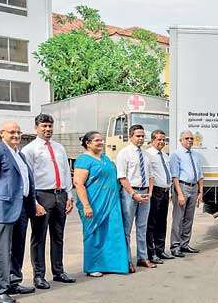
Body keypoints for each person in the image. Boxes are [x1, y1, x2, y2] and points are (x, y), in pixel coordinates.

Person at [22, 114, 76, 289]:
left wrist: (69, 195)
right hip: (41, 196)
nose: (47, 129)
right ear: (36, 128)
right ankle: (38, 276)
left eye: (50, 126)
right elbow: (27, 177)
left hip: (60, 195)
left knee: (58, 235)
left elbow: (67, 172)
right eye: (44, 126)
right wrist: (33, 202)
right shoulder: (29, 150)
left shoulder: (59, 148)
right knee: (39, 237)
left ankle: (59, 271)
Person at [73, 131, 129, 277]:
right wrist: (86, 205)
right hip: (94, 203)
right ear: (88, 143)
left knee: (113, 233)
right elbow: (78, 183)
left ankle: (113, 265)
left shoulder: (105, 158)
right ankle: (93, 266)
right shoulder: (83, 160)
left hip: (111, 203)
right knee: (94, 234)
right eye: (97, 140)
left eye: (101, 140)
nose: (101, 142)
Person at [0, 121, 37, 303]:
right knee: (2, 251)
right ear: (1, 133)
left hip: (22, 208)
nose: (16, 135)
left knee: (17, 248)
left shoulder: (19, 153)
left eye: (19, 132)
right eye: (11, 132)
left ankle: (14, 281)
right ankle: (0, 290)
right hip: (4, 209)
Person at [116, 125, 155, 272]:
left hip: (145, 193)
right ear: (131, 136)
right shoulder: (124, 154)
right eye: (138, 136)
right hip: (130, 194)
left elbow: (151, 175)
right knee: (127, 229)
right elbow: (122, 177)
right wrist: (133, 194)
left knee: (142, 227)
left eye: (142, 136)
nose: (141, 138)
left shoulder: (146, 155)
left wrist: (149, 192)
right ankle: (126, 261)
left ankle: (142, 258)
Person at [170, 130, 204, 258]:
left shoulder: (195, 155)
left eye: (191, 138)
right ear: (181, 140)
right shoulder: (176, 155)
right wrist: (179, 194)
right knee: (178, 219)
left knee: (189, 219)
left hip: (194, 187)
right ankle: (175, 246)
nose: (190, 140)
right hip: (182, 187)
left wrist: (201, 192)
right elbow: (175, 176)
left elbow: (200, 174)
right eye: (187, 138)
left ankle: (184, 244)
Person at [146, 130, 174, 264]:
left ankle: (160, 250)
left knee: (162, 222)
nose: (162, 142)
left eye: (164, 140)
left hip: (165, 191)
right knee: (152, 223)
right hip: (155, 191)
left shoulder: (165, 155)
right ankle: (151, 253)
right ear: (153, 140)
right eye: (159, 139)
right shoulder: (148, 154)